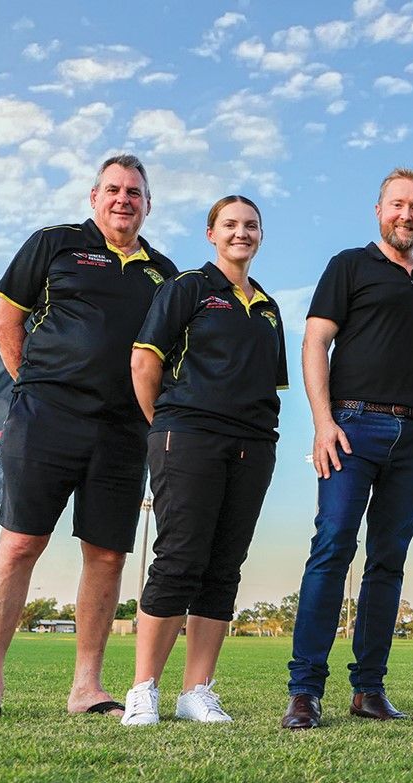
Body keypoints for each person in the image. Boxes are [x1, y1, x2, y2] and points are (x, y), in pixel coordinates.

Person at [0, 155, 176, 724]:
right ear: (94, 197)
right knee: (19, 543)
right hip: (46, 418)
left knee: (108, 554)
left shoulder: (162, 273)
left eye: (135, 192)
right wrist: (31, 392)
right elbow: (3, 323)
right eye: (113, 190)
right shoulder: (53, 244)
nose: (124, 200)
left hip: (122, 430)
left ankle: (86, 687)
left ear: (147, 204)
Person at [282, 168, 413, 730]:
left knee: (388, 561)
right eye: (398, 205)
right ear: (378, 210)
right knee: (332, 547)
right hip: (352, 428)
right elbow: (316, 340)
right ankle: (305, 692)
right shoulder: (348, 265)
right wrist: (322, 423)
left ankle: (368, 691)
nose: (407, 215)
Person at [120, 195, 286, 725]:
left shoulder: (267, 306)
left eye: (251, 225)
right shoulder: (187, 288)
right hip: (187, 436)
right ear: (211, 233)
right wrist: (164, 427)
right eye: (231, 225)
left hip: (253, 444)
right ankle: (143, 689)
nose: (242, 233)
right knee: (178, 559)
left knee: (222, 567)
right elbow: (144, 362)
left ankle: (197, 691)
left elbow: (268, 383)